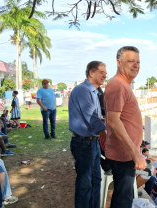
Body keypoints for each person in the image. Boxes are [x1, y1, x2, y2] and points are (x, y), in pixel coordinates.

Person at [104, 46, 146, 208]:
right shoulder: (118, 84)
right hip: (123, 154)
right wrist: (135, 153)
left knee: (123, 195)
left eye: (138, 62)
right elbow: (113, 121)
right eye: (131, 61)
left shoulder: (123, 84)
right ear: (119, 62)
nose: (135, 65)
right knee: (123, 198)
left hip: (125, 153)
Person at [68, 61, 107, 208]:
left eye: (105, 73)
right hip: (83, 144)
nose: (104, 75)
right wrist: (109, 140)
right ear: (91, 73)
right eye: (101, 72)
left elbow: (97, 117)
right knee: (85, 185)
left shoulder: (94, 92)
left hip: (93, 142)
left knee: (96, 181)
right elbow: (93, 119)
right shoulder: (82, 90)